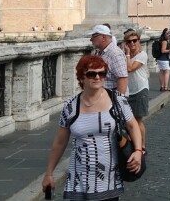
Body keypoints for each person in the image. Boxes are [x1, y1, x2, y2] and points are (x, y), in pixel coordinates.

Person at [42, 56, 143, 199]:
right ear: (81, 78)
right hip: (79, 179)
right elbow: (60, 143)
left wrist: (138, 151)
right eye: (91, 74)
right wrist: (49, 173)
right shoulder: (70, 107)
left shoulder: (118, 100)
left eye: (101, 73)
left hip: (109, 179)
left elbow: (133, 126)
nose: (97, 77)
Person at [122, 28, 149, 154]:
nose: (132, 43)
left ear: (139, 41)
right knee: (130, 121)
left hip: (140, 90)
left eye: (134, 40)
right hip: (130, 91)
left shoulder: (142, 55)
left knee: (138, 120)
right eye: (129, 41)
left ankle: (142, 146)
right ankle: (134, 143)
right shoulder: (126, 55)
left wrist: (126, 54)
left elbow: (130, 68)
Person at [88, 24, 128, 95]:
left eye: (94, 36)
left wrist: (118, 101)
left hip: (111, 97)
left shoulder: (115, 53)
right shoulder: (100, 52)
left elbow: (123, 79)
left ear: (103, 37)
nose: (91, 39)